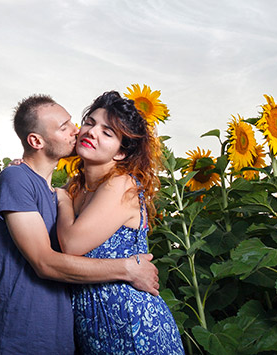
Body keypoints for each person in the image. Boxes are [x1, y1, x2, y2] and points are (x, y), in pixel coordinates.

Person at [0, 94, 160, 355]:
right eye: (83, 123)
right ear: (36, 140)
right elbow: (47, 260)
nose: (81, 131)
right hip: (25, 335)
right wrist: (128, 269)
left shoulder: (100, 187)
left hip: (120, 327)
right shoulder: (56, 188)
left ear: (122, 152)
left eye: (107, 132)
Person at [56, 90, 185, 354]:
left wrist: (60, 198)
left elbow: (70, 244)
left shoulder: (121, 184)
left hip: (134, 326)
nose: (92, 132)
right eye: (90, 123)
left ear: (120, 154)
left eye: (108, 132)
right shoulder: (77, 186)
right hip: (94, 327)